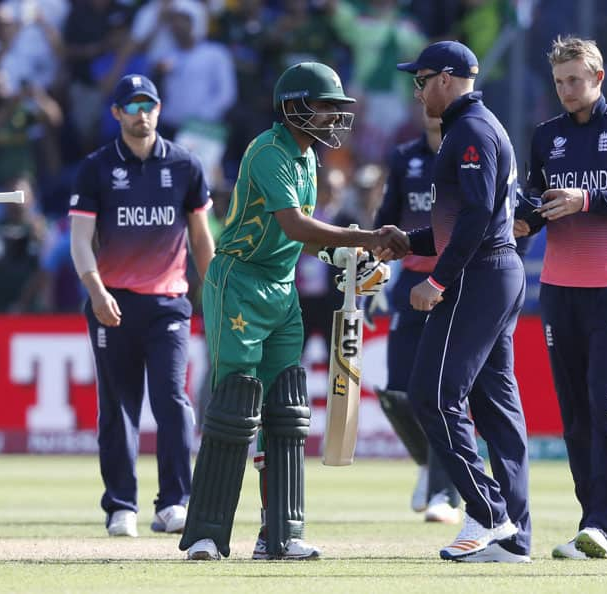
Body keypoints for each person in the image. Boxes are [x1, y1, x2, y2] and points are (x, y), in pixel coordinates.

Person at [178, 61, 407, 561]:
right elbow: (297, 225)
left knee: (286, 407)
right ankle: (206, 534)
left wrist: (346, 257)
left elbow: (300, 240)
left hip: (281, 290)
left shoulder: (307, 160)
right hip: (237, 282)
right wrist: (364, 236)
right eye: (324, 107)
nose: (332, 117)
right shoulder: (268, 151)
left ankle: (280, 534)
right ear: (293, 107)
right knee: (236, 403)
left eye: (335, 109)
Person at [515, 35, 607, 560]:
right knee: (574, 412)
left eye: (575, 79)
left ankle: (602, 522)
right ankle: (594, 527)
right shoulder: (545, 136)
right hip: (559, 289)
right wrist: (522, 220)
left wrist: (587, 198)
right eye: (558, 81)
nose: (566, 90)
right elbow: (535, 201)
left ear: (598, 78)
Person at [389, 41, 531, 563]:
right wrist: (408, 240)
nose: (418, 90)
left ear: (446, 79)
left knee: (431, 395)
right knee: (494, 408)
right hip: (495, 272)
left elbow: (474, 219)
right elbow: (470, 218)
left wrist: (439, 281)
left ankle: (490, 512)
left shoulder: (469, 130)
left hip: (478, 276)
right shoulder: (477, 125)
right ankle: (513, 540)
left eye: (421, 79)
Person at [68, 73, 215, 539]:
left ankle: (175, 501)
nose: (141, 114)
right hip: (111, 303)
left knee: (172, 401)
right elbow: (79, 241)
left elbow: (200, 238)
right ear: (116, 114)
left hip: (168, 302)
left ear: (158, 109)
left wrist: (211, 293)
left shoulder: (186, 166)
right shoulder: (95, 168)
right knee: (118, 406)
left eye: (148, 105)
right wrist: (96, 292)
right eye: (131, 106)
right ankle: (121, 506)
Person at [373, 104, 461, 524]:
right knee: (396, 392)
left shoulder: (470, 150)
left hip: (455, 280)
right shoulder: (404, 157)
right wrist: (372, 258)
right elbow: (387, 218)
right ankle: (429, 464)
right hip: (409, 283)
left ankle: (445, 491)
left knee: (443, 392)